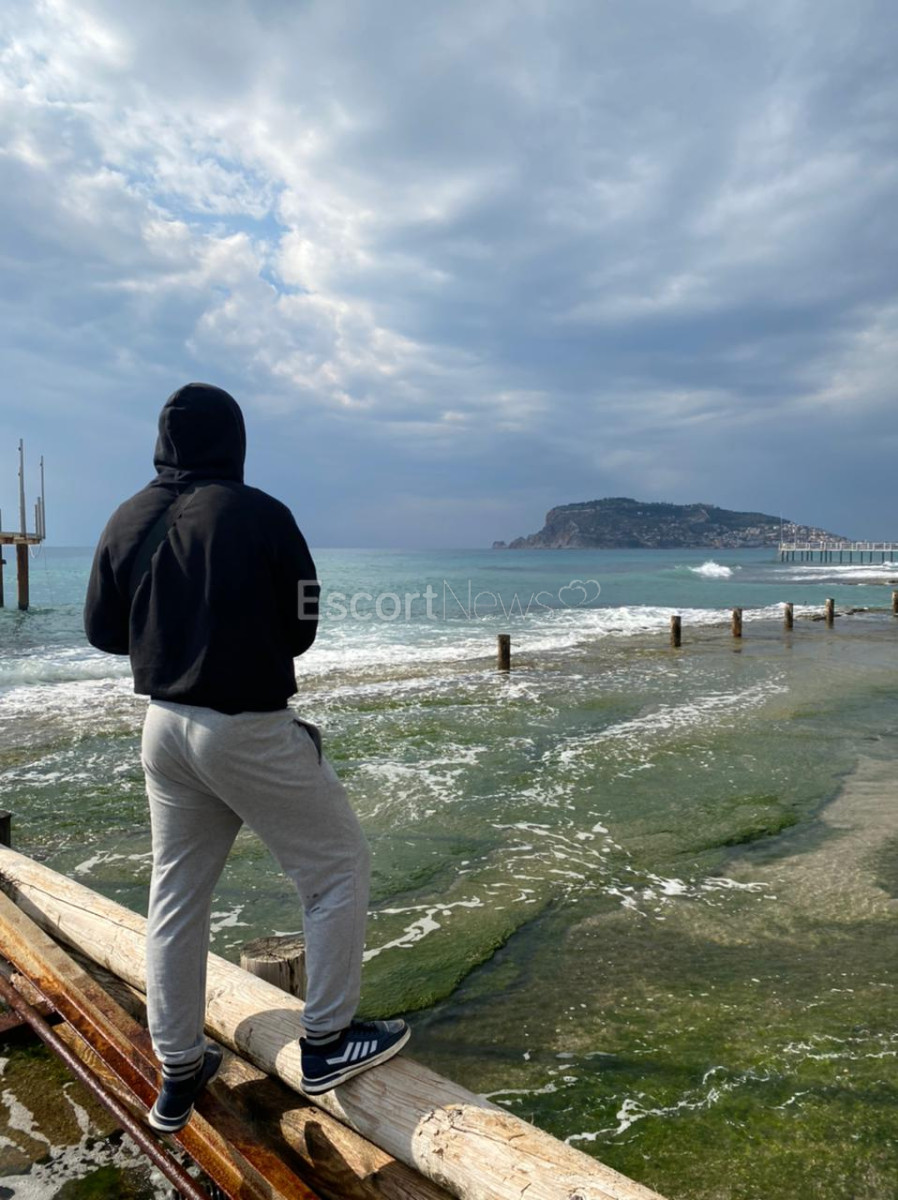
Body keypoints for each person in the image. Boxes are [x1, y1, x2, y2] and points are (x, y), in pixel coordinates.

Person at [84, 382, 408, 1134]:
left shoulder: (126, 516)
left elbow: (102, 631)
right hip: (245, 727)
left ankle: (178, 1067)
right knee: (336, 868)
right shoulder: (261, 513)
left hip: (163, 726)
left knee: (177, 894)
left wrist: (170, 629)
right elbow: (303, 624)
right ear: (233, 439)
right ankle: (327, 1040)